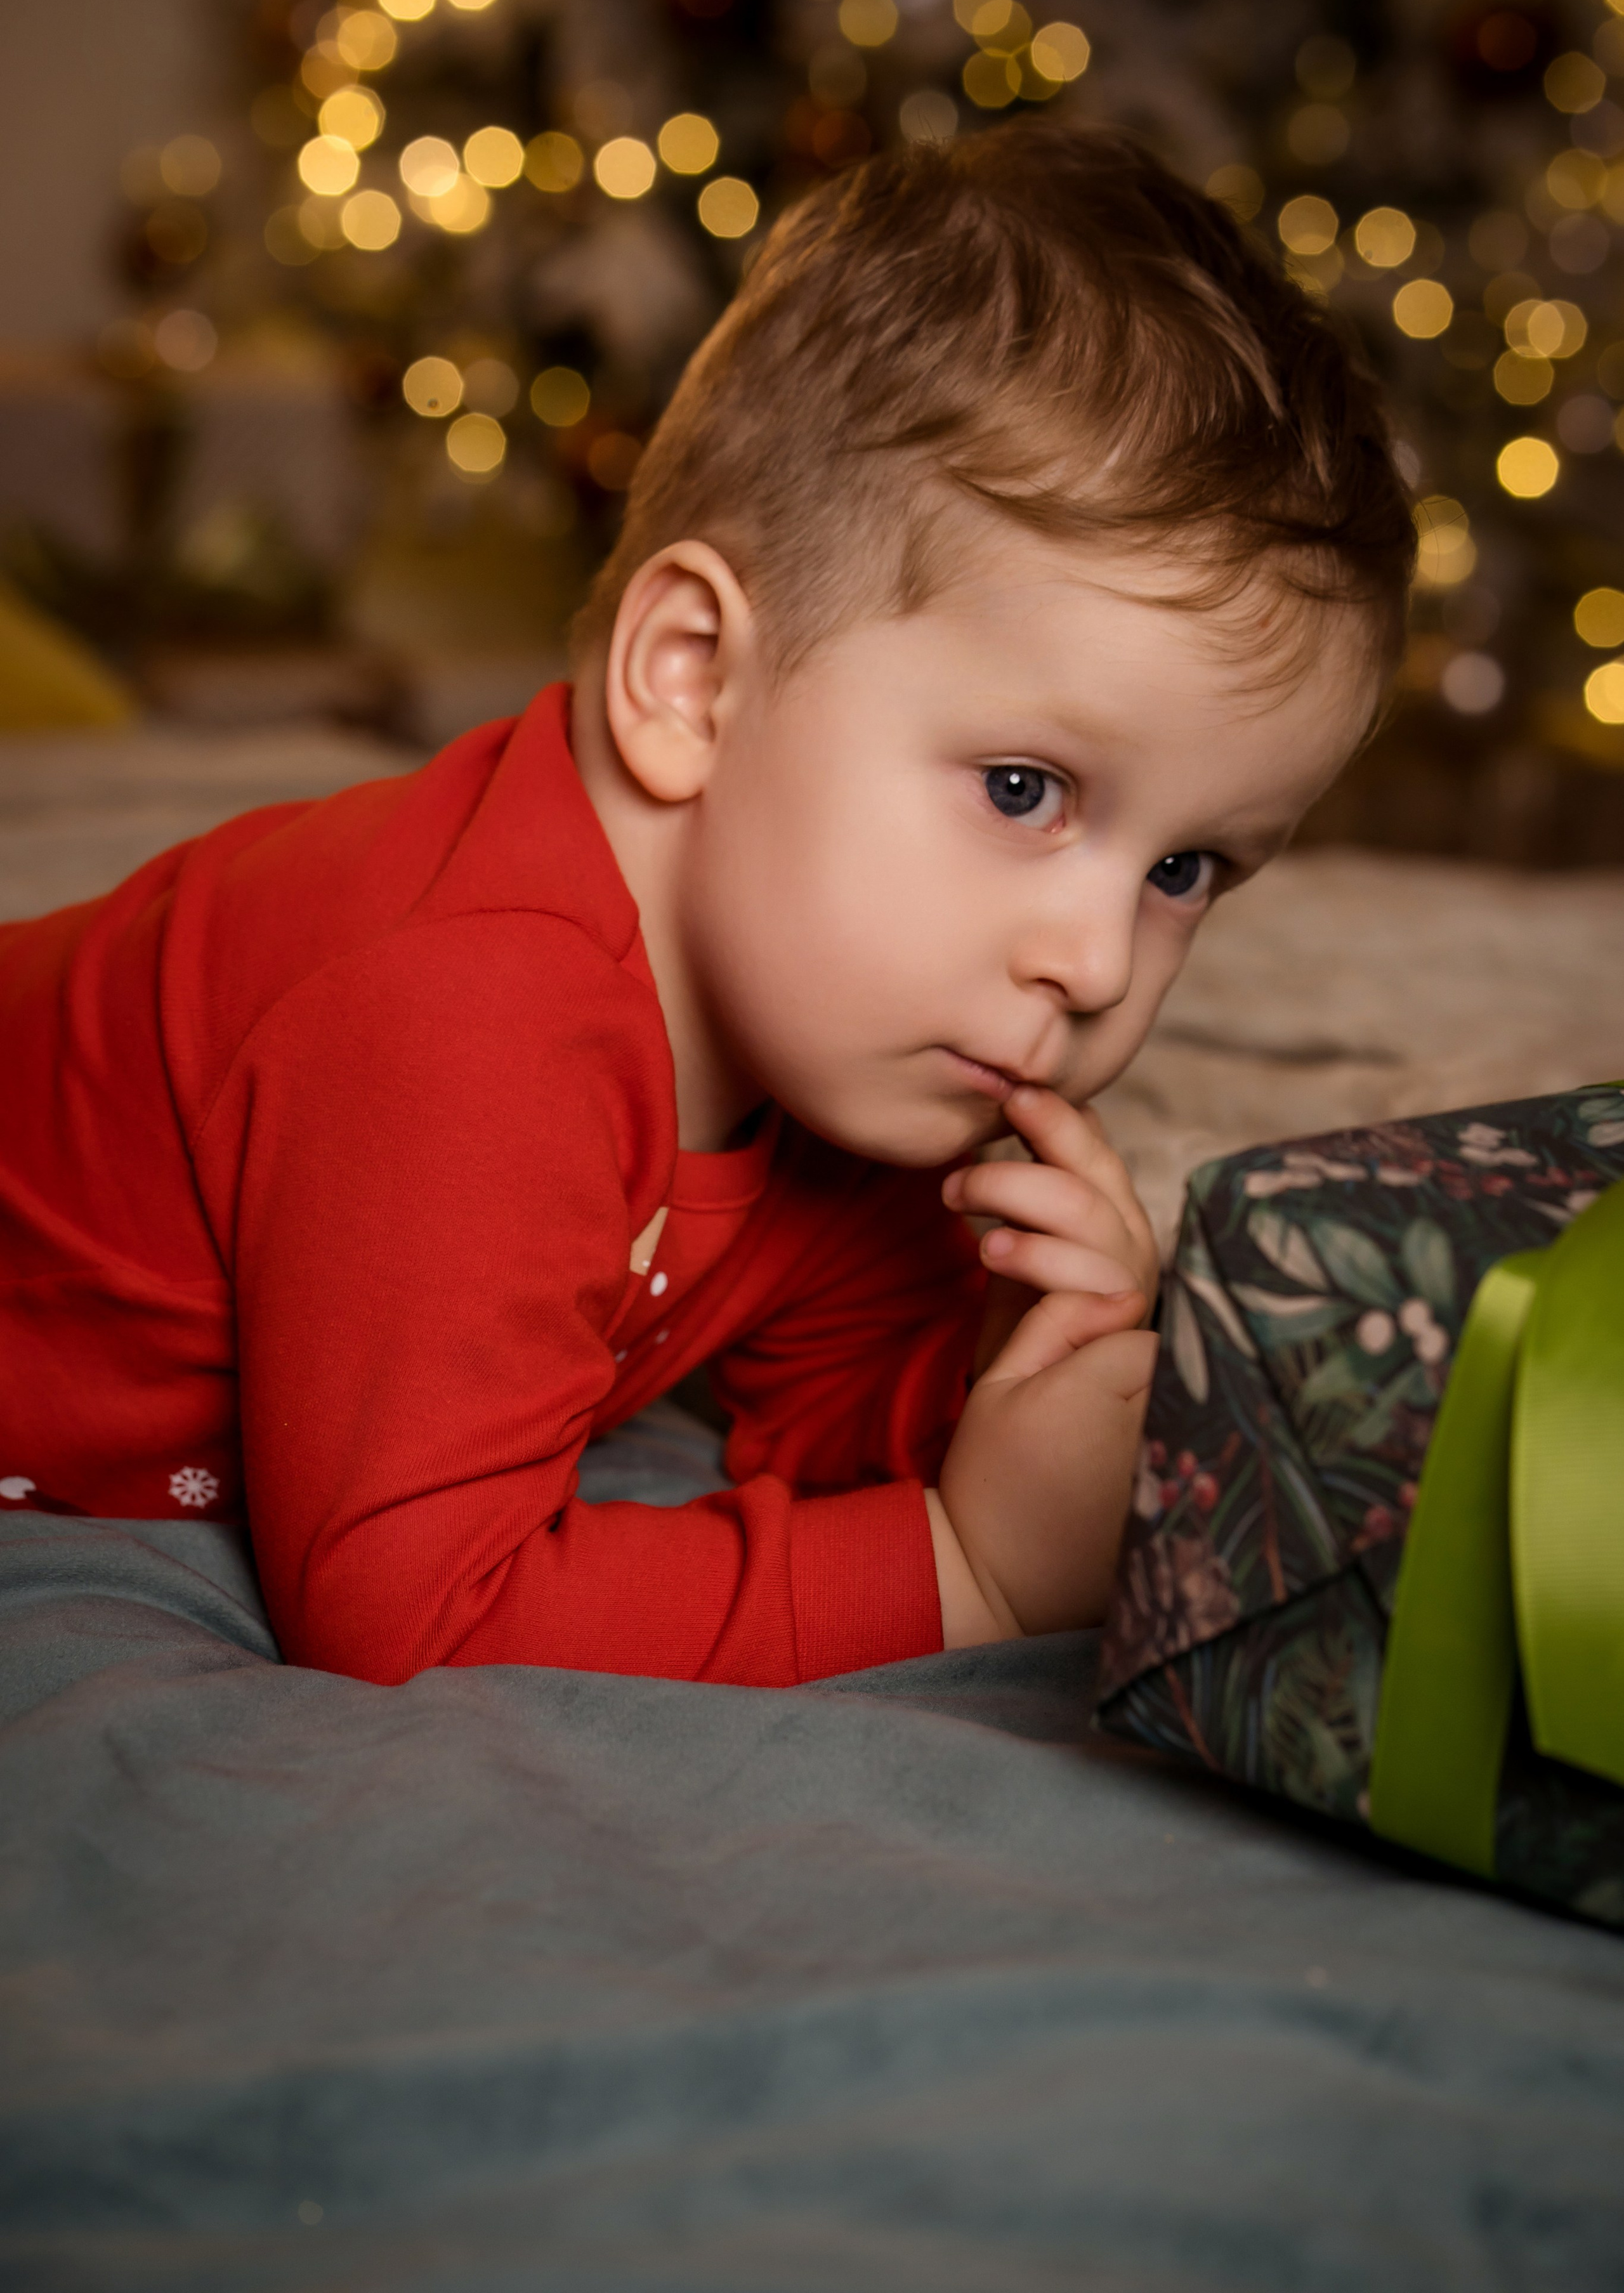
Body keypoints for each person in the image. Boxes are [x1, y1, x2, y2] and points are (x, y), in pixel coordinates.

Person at [0, 121, 1414, 1686]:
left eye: (1181, 870)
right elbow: (416, 1607)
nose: (1092, 964)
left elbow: (833, 1396)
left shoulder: (846, 1030)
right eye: (1022, 789)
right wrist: (965, 1574)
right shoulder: (464, 1011)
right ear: (691, 679)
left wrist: (1017, 1378)